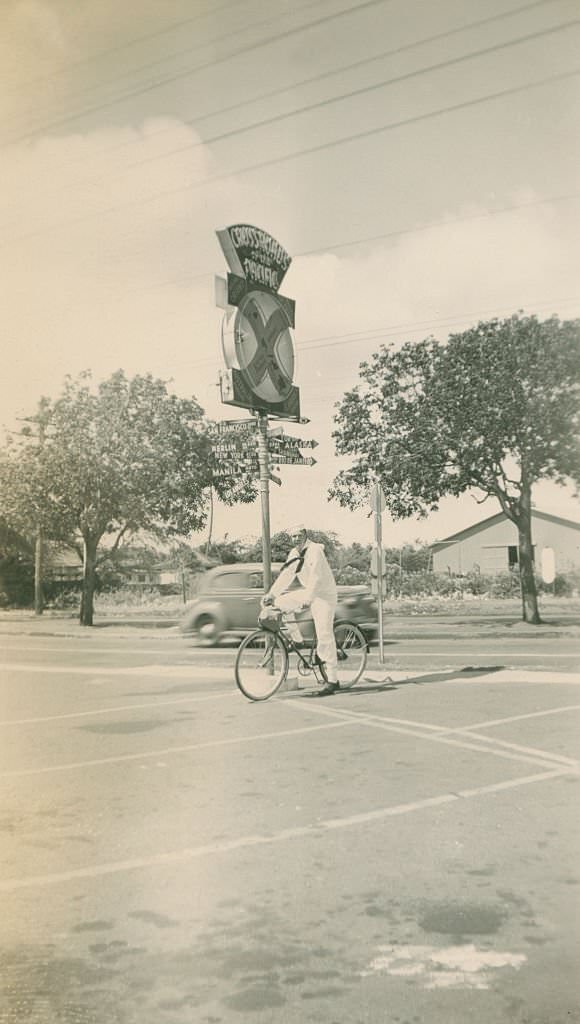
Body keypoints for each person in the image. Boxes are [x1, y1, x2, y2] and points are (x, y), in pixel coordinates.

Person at [262, 526, 339, 696]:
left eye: (298, 535)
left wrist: (308, 599)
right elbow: (287, 575)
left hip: (324, 595)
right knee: (280, 604)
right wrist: (272, 594)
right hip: (309, 592)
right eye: (293, 537)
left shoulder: (315, 550)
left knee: (324, 634)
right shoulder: (294, 553)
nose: (296, 539)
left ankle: (333, 680)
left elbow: (317, 578)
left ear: (305, 535)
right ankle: (298, 640)